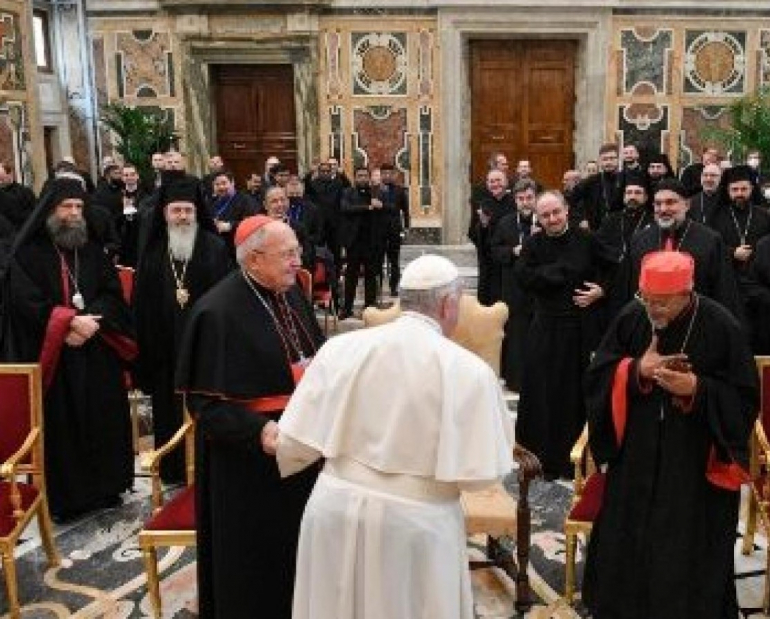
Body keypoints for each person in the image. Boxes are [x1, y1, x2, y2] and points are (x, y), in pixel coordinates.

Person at [276, 254, 514, 619]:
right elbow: (481, 476)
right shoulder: (468, 371)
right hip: (415, 525)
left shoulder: (339, 348)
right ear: (450, 304)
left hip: (333, 507)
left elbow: (296, 440)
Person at [583, 250, 758, 619]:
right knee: (627, 540)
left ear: (686, 293)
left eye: (662, 302)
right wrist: (634, 372)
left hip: (694, 462)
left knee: (684, 547)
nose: (654, 309)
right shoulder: (633, 317)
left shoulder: (721, 325)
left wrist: (697, 388)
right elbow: (598, 374)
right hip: (636, 457)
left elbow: (745, 400)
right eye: (647, 299)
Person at [175, 215, 324, 619]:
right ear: (255, 259)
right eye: (288, 254)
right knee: (257, 565)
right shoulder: (216, 313)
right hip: (248, 467)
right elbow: (205, 407)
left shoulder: (289, 294)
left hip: (303, 449)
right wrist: (259, 432)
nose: (299, 261)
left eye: (297, 251)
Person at [2, 178, 136, 520]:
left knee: (103, 417)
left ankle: (108, 487)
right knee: (64, 426)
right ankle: (69, 499)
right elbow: (24, 303)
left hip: (96, 349)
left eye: (79, 207)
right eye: (67, 207)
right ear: (50, 210)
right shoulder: (28, 254)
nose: (75, 214)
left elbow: (112, 294)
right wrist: (67, 323)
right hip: (54, 357)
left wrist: (92, 322)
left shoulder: (91, 250)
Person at [133, 173, 231, 484]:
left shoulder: (214, 248)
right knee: (169, 410)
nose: (183, 216)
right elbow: (142, 307)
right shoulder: (151, 254)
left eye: (188, 210)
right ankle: (174, 469)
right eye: (176, 210)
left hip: (207, 351)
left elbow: (227, 299)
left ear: (197, 212)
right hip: (166, 353)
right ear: (164, 213)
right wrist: (147, 352)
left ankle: (207, 467)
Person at [515, 191, 615, 479]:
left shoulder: (587, 239)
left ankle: (578, 460)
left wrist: (601, 290)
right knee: (544, 394)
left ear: (566, 210)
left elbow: (616, 267)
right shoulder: (533, 244)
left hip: (581, 330)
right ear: (538, 218)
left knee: (576, 393)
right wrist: (558, 273)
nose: (552, 219)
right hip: (546, 330)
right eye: (545, 215)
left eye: (556, 212)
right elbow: (523, 277)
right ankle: (543, 460)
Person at [628, 178, 742, 318]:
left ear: (687, 205)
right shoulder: (640, 239)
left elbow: (724, 291)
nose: (663, 209)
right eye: (658, 204)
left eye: (671, 202)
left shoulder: (710, 240)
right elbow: (627, 289)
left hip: (696, 321)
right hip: (648, 319)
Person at [490, 178, 539, 390]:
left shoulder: (546, 220)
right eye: (521, 198)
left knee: (539, 335)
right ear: (515, 200)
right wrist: (512, 251)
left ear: (535, 198)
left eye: (529, 198)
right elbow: (495, 251)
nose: (525, 202)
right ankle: (516, 380)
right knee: (516, 335)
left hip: (540, 289)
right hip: (514, 289)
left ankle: (539, 380)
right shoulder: (506, 223)